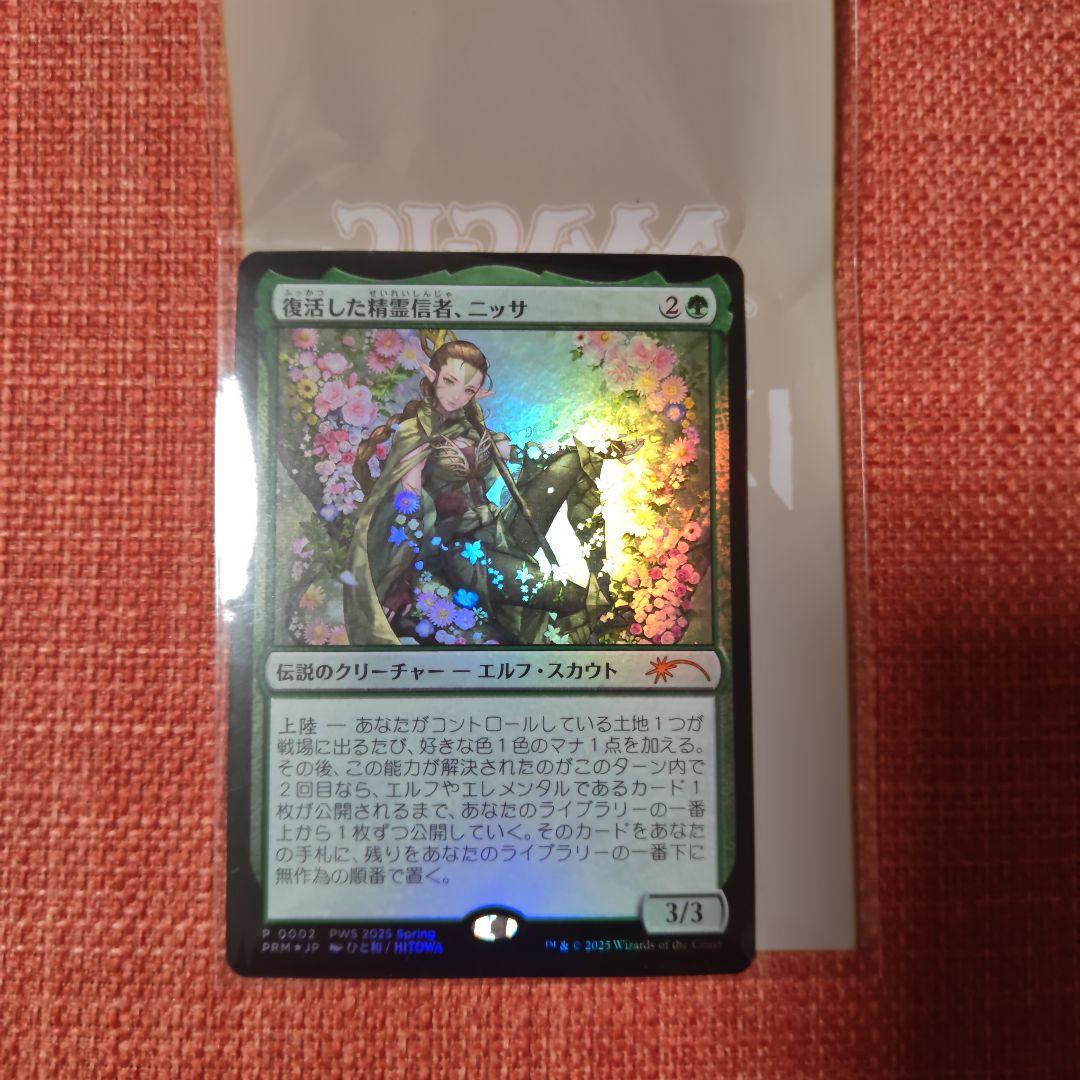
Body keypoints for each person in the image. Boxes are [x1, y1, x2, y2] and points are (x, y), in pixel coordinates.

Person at [343, 329, 639, 646]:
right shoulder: (415, 433)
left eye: (468, 389)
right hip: (458, 551)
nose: (456, 395)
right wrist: (403, 579)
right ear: (432, 375)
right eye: (449, 381)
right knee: (570, 596)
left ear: (478, 392)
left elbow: (520, 452)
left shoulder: (470, 427)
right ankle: (569, 637)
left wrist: (601, 448)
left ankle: (601, 580)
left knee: (572, 461)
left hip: (496, 531)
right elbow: (406, 509)